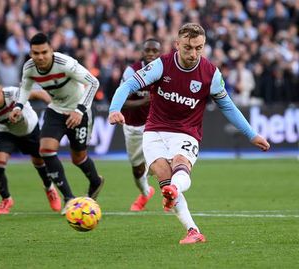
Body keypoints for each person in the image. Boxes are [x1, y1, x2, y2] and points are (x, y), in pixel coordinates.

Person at [108, 23, 270, 244]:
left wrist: (252, 134)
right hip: (154, 131)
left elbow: (228, 106)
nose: (193, 53)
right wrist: (114, 109)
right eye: (188, 48)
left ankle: (175, 191)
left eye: (198, 48)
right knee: (165, 179)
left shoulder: (210, 74)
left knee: (179, 166)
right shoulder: (161, 65)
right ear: (177, 45)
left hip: (186, 132)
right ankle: (193, 230)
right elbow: (127, 86)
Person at [9, 33, 104, 212]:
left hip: (79, 110)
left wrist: (79, 110)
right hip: (56, 109)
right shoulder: (29, 67)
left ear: (52, 50)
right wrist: (18, 106)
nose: (40, 57)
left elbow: (94, 83)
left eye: (44, 52)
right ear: (30, 53)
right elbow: (25, 87)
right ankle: (69, 198)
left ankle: (96, 181)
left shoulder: (65, 63)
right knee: (45, 150)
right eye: (36, 53)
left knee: (78, 158)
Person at [0, 75, 61, 214]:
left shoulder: (14, 93)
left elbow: (39, 93)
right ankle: (6, 199)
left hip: (29, 129)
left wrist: (55, 110)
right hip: (4, 132)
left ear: (0, 89)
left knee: (40, 163)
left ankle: (49, 188)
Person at [118, 39, 161, 211]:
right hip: (133, 125)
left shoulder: (164, 70)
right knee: (137, 169)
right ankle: (145, 192)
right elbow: (121, 101)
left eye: (154, 51)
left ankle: (171, 197)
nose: (151, 53)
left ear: (159, 53)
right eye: (147, 50)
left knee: (163, 164)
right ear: (142, 52)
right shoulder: (132, 71)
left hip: (156, 124)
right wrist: (144, 101)